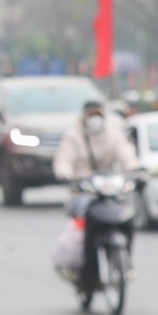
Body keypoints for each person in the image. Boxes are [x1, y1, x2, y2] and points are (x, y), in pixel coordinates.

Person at [53, 98, 140, 291]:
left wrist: (135, 168)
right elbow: (64, 160)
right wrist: (65, 174)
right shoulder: (73, 136)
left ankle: (126, 262)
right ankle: (86, 269)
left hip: (109, 189)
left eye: (98, 115)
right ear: (84, 116)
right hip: (83, 191)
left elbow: (125, 153)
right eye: (91, 115)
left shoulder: (113, 135)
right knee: (86, 221)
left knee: (127, 217)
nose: (95, 119)